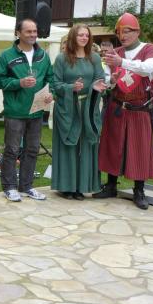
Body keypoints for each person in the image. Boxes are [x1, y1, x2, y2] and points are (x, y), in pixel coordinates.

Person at [95, 13, 153, 209]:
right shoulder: (115, 52)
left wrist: (122, 63)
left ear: (137, 32)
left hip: (140, 109)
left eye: (127, 31)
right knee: (113, 146)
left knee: (139, 149)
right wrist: (110, 81)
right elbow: (107, 80)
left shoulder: (150, 50)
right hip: (117, 107)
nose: (123, 35)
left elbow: (146, 69)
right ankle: (111, 185)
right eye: (119, 32)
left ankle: (139, 190)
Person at [0, 18, 53, 202]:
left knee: (32, 149)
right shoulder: (7, 55)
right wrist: (19, 83)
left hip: (36, 111)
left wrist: (51, 93)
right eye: (29, 31)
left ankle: (26, 186)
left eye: (35, 31)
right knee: (12, 150)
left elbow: (51, 78)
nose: (33, 34)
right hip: (15, 111)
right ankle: (9, 187)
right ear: (18, 33)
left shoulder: (43, 55)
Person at [50, 25, 106, 200]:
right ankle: (67, 187)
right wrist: (71, 87)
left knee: (87, 145)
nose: (84, 38)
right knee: (68, 146)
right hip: (67, 108)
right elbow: (55, 84)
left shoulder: (94, 58)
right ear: (73, 36)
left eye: (86, 35)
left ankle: (82, 186)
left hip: (88, 107)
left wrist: (97, 86)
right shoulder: (62, 58)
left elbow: (100, 79)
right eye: (80, 35)